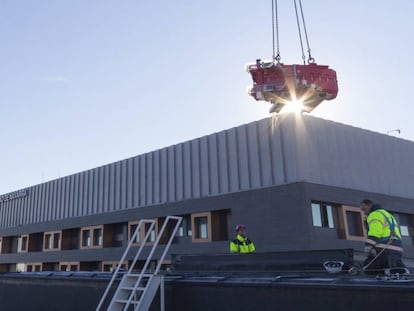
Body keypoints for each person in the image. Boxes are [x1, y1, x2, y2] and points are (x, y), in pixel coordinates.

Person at [358, 199, 406, 274]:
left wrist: (369, 245)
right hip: (397, 248)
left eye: (364, 209)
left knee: (369, 269)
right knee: (395, 272)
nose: (364, 212)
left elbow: (376, 230)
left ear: (369, 205)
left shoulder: (374, 214)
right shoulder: (388, 214)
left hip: (384, 248)